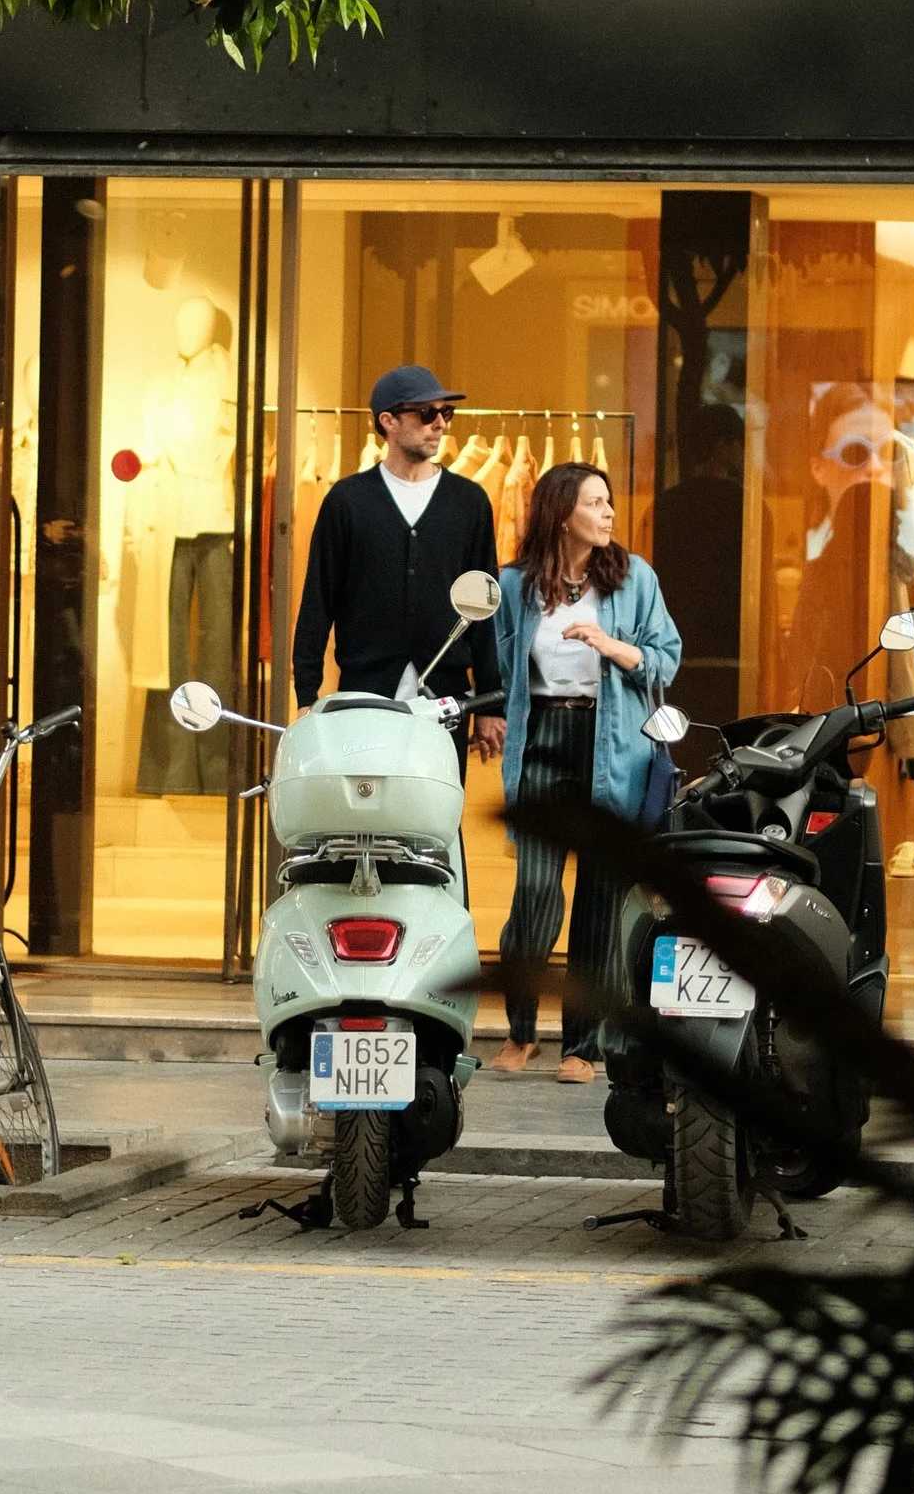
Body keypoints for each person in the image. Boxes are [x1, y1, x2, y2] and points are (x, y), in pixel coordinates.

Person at [487, 461, 681, 1081]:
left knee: (599, 902)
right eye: (595, 504)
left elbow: (665, 658)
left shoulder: (634, 579)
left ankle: (582, 1046)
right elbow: (493, 669)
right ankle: (521, 1031)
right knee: (537, 894)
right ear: (561, 511)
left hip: (612, 743)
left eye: (609, 503)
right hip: (543, 738)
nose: (608, 514)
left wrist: (610, 645)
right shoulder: (514, 585)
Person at [291, 363, 505, 743]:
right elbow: (318, 601)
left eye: (446, 412)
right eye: (426, 413)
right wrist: (307, 695)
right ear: (388, 421)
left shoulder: (469, 502)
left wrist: (490, 702)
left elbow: (484, 605)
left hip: (445, 701)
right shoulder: (348, 500)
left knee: (438, 802)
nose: (440, 424)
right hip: (362, 697)